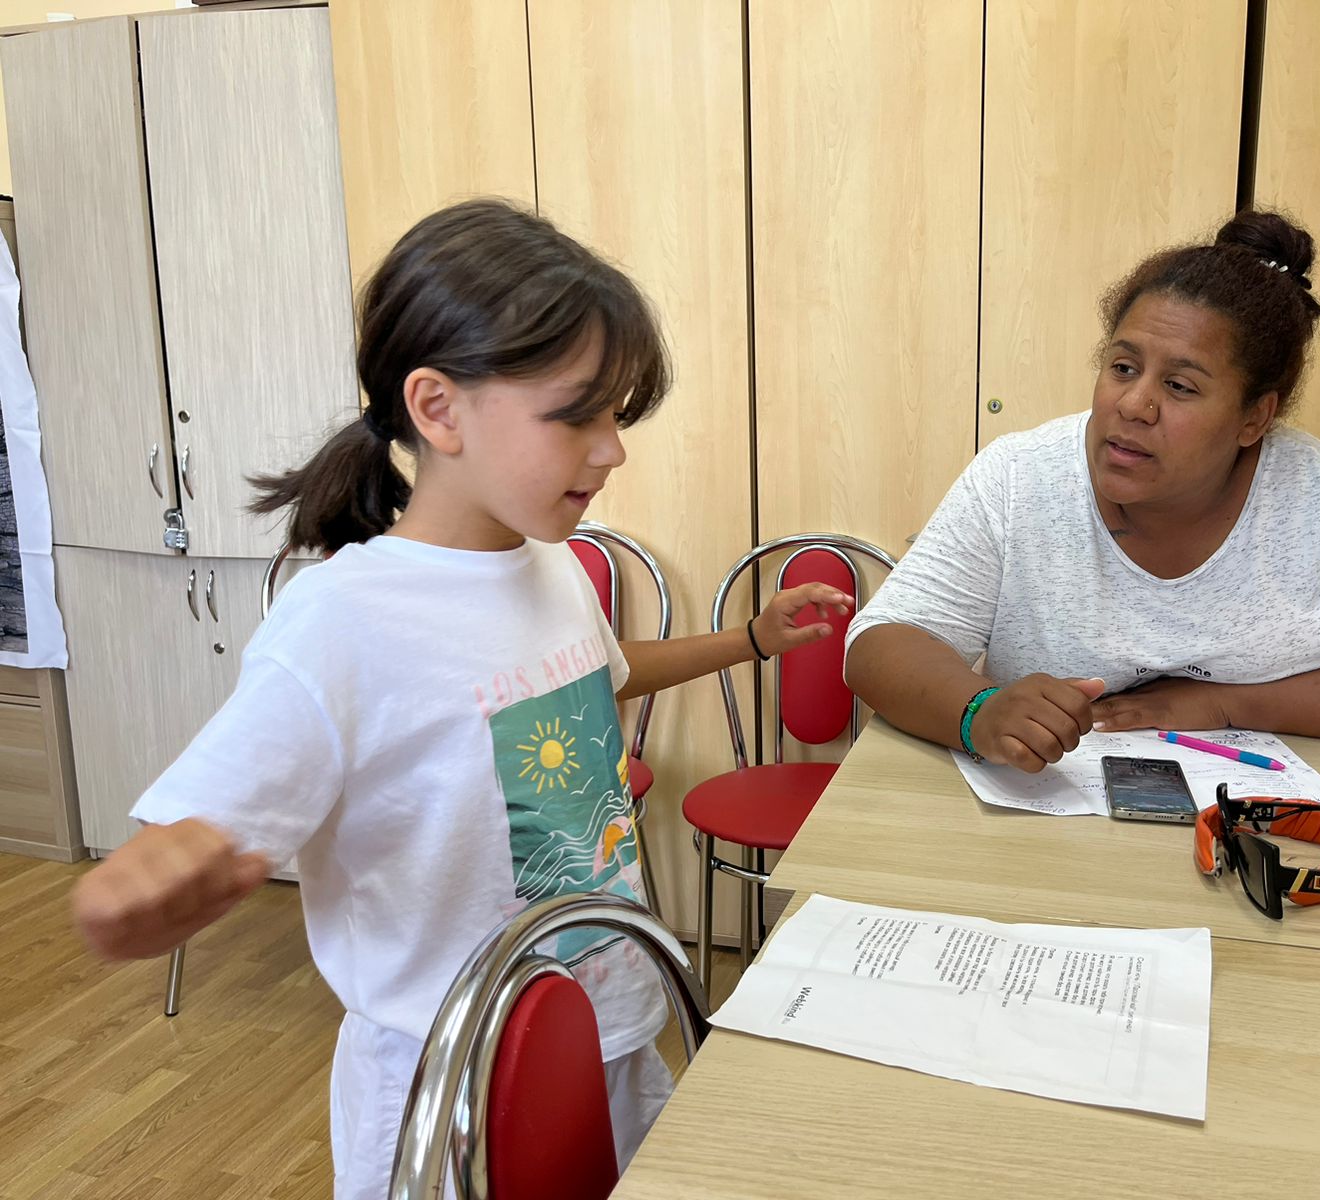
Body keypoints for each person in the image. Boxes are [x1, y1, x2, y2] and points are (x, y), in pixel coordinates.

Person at [69, 198, 850, 1196]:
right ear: (438, 409)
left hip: (609, 1025)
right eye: (579, 414)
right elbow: (179, 841)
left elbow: (597, 675)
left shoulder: (551, 565)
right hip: (448, 1081)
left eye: (618, 415)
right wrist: (130, 896)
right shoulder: (343, 620)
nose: (613, 449)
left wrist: (749, 641)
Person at [845, 210, 1320, 772]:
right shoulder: (1019, 477)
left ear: (1254, 417)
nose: (1132, 405)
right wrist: (978, 710)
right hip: (1051, 836)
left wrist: (1228, 704)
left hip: (1268, 839)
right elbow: (879, 643)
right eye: (1123, 367)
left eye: (1179, 386)